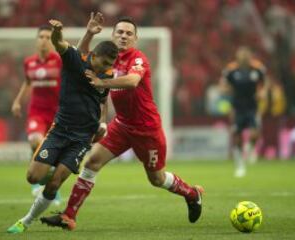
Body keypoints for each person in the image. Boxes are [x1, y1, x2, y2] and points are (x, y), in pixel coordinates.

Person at [40, 13, 204, 231]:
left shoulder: (138, 58)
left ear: (135, 38)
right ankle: (68, 216)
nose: (124, 36)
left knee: (156, 178)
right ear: (113, 35)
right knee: (91, 163)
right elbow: (82, 60)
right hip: (122, 125)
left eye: (128, 33)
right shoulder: (108, 59)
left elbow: (133, 81)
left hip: (147, 129)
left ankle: (192, 194)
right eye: (120, 32)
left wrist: (102, 82)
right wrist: (89, 34)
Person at [6, 19, 118, 234]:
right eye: (103, 63)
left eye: (109, 65)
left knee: (55, 182)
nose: (105, 69)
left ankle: (26, 221)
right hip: (59, 131)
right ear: (93, 56)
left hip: (82, 139)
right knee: (33, 177)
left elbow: (103, 101)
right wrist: (57, 31)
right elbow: (61, 44)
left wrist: (102, 123)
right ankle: (49, 167)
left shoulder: (108, 75)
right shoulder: (75, 61)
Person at [11, 25, 62, 203]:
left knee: (52, 151)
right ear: (36, 40)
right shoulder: (29, 62)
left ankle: (50, 186)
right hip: (37, 112)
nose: (44, 41)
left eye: (48, 38)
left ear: (53, 41)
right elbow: (27, 82)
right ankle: (38, 181)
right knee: (34, 141)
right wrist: (18, 101)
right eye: (41, 37)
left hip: (58, 113)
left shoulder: (59, 61)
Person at [219, 46, 267, 177]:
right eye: (241, 55)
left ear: (250, 56)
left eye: (246, 55)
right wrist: (227, 91)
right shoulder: (231, 69)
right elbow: (222, 85)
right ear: (237, 57)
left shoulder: (258, 68)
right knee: (237, 136)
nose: (244, 57)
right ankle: (240, 166)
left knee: (256, 133)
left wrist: (262, 92)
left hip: (253, 106)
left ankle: (250, 148)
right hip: (237, 107)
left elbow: (264, 84)